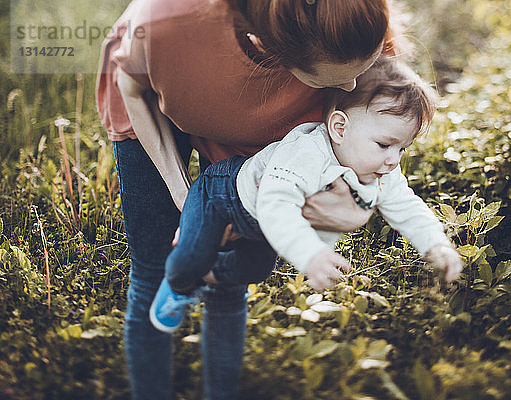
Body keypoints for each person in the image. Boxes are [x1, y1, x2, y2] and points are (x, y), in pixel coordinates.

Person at [96, 0, 398, 399]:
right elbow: (131, 87)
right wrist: (183, 195)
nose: (349, 89)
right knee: (155, 269)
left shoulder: (356, 23)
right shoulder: (166, 19)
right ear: (277, 49)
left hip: (254, 120)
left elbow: (382, 126)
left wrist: (355, 203)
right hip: (156, 88)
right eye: (332, 80)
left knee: (229, 275)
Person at [150, 55, 463, 335]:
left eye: (402, 148)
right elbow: (275, 205)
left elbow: (407, 207)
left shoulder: (384, 170)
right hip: (223, 196)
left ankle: (207, 276)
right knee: (188, 261)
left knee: (253, 270)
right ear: (339, 128)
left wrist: (436, 244)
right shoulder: (306, 154)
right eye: (384, 145)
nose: (394, 159)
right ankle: (179, 283)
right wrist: (311, 254)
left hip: (263, 225)